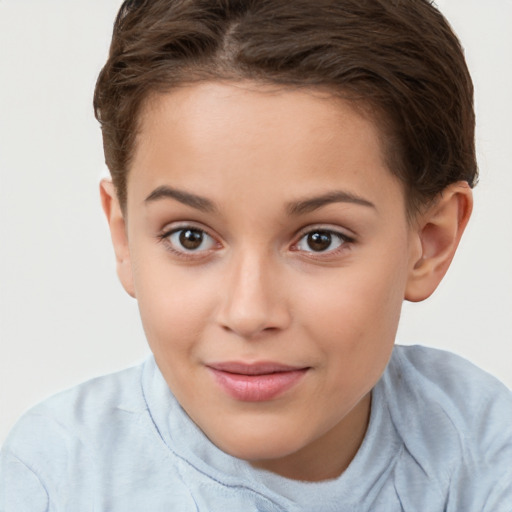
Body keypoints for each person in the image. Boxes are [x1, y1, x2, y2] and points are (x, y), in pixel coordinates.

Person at [1, 0, 511, 510]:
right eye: (190, 237)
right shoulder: (55, 478)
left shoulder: (485, 454)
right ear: (123, 234)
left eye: (320, 239)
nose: (249, 313)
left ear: (429, 242)